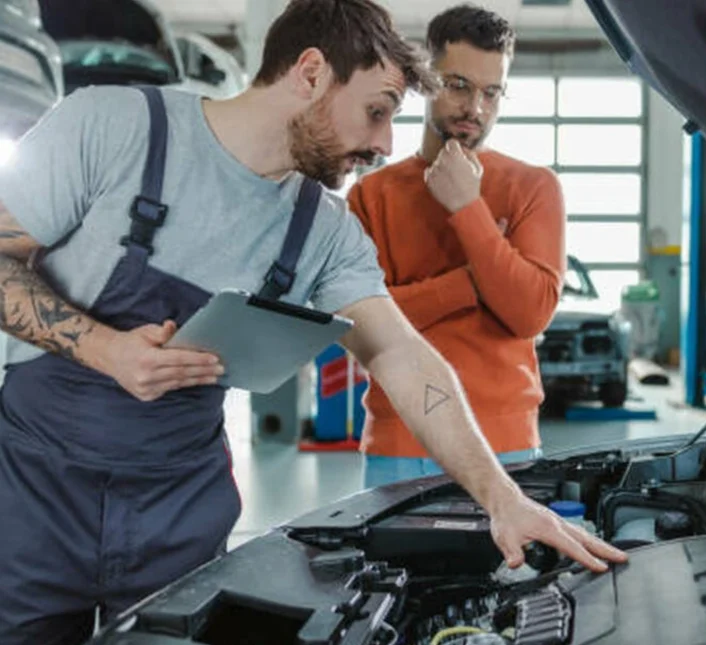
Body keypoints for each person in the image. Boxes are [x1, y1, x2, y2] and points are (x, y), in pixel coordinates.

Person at [0, 0, 625, 641]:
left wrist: (504, 499)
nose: (385, 144)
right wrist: (107, 350)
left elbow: (399, 354)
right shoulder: (115, 126)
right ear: (311, 72)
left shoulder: (324, 230)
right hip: (36, 497)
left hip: (177, 508)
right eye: (376, 111)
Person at [348, 4, 565, 488]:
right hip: (399, 443)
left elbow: (529, 313)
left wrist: (467, 208)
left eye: (492, 92)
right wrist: (473, 283)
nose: (476, 109)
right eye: (459, 85)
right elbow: (363, 333)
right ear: (424, 79)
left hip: (508, 445)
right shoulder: (371, 196)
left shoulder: (533, 187)